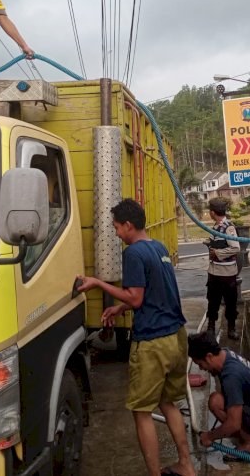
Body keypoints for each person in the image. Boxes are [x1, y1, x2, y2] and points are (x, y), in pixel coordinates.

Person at [76, 199, 195, 476]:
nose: (116, 233)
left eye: (117, 227)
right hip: (176, 337)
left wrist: (97, 282)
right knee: (168, 403)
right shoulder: (158, 248)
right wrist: (120, 307)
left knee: (141, 411)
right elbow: (154, 293)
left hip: (153, 342)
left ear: (128, 225)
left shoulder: (133, 254)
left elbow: (137, 298)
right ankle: (186, 466)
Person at [188, 331, 250, 462]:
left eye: (200, 364)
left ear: (209, 356)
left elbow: (234, 424)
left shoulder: (231, 376)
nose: (201, 369)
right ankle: (248, 438)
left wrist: (210, 436)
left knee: (216, 402)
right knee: (221, 399)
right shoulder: (226, 354)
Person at [205, 198, 241, 339]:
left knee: (230, 301)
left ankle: (231, 328)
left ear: (212, 212)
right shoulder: (215, 227)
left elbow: (235, 248)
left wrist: (217, 253)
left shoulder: (228, 228)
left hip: (227, 272)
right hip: (214, 271)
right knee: (212, 300)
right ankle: (211, 326)